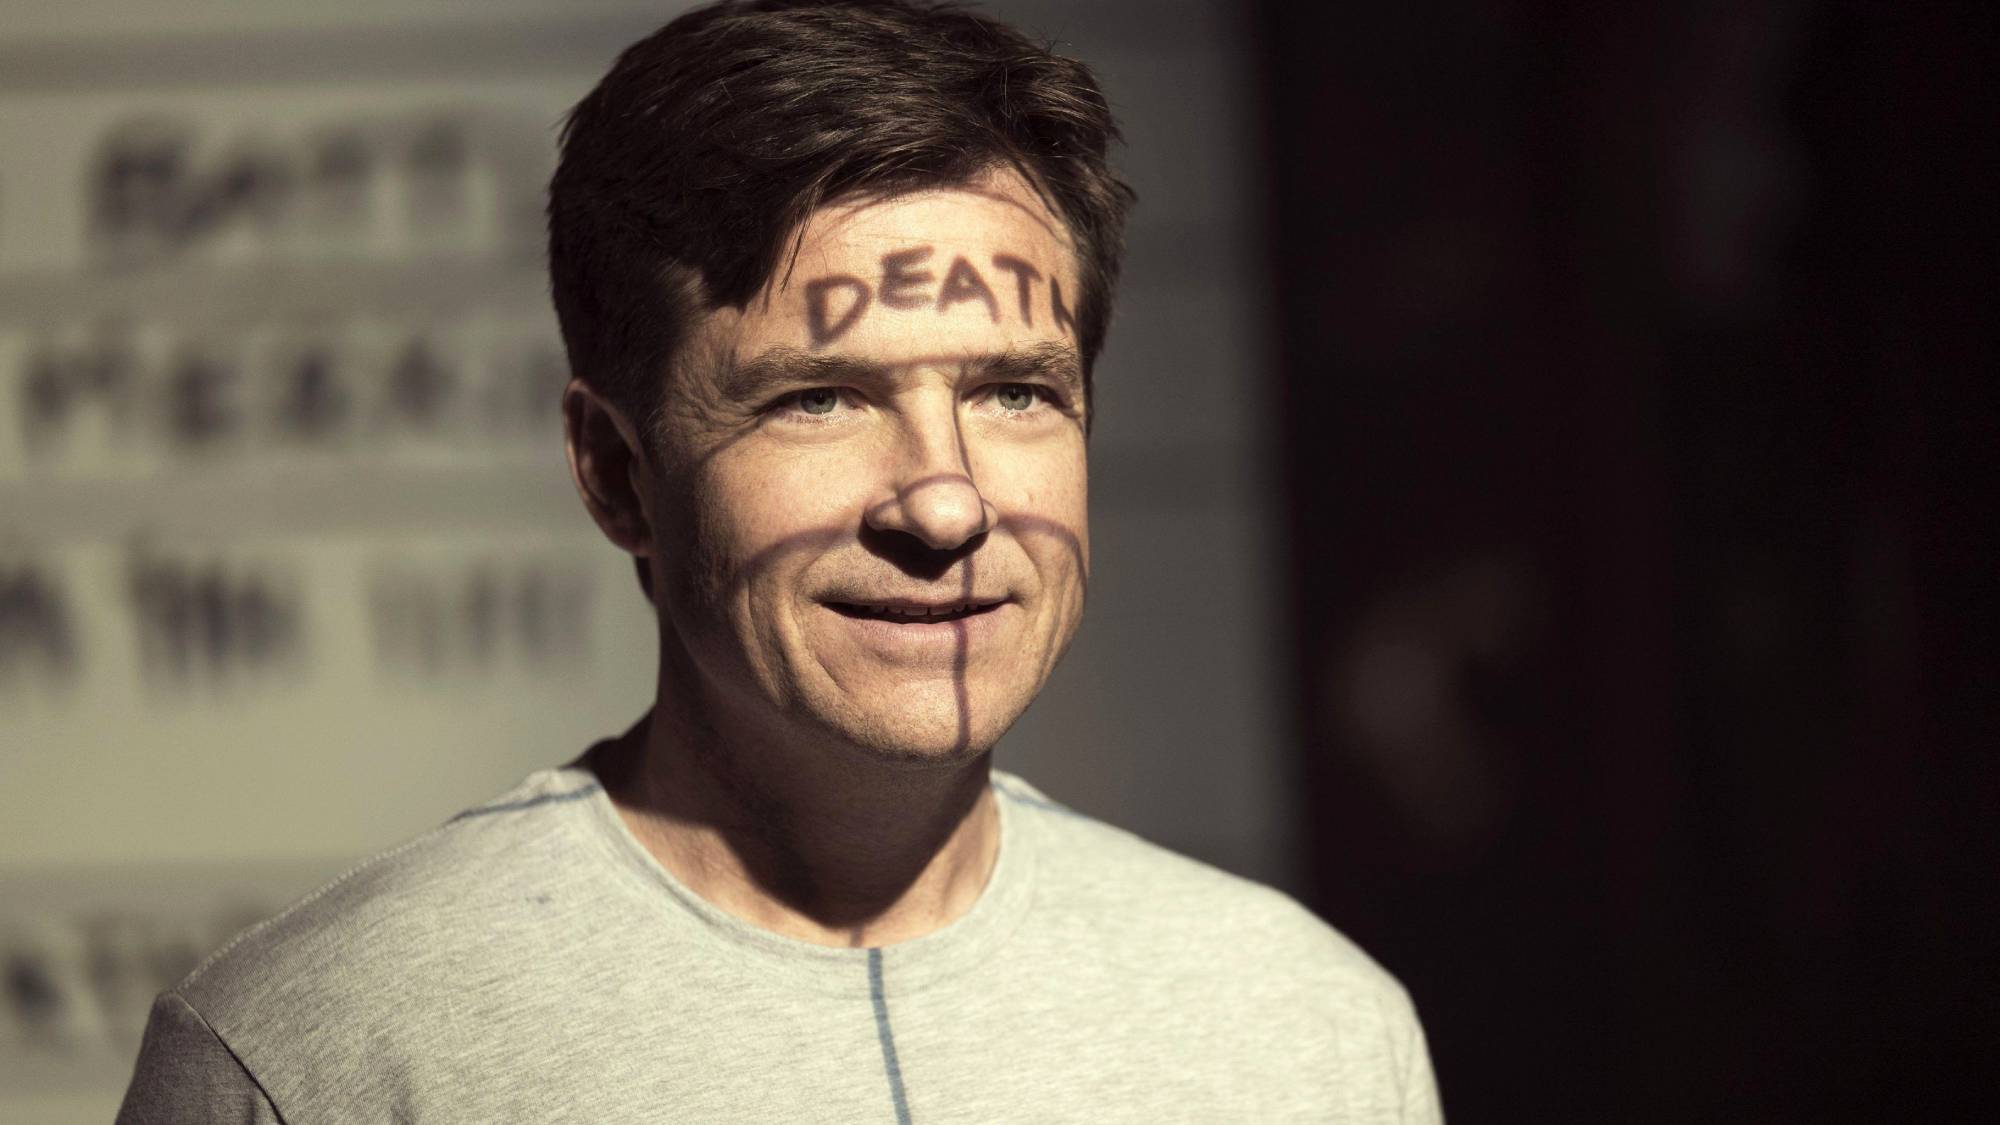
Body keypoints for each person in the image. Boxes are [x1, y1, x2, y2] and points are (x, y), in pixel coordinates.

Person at [117, 1, 1442, 1120]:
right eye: (819, 398)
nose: (945, 504)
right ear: (616, 471)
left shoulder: (1311, 1032)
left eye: (1014, 391)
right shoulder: (310, 1057)